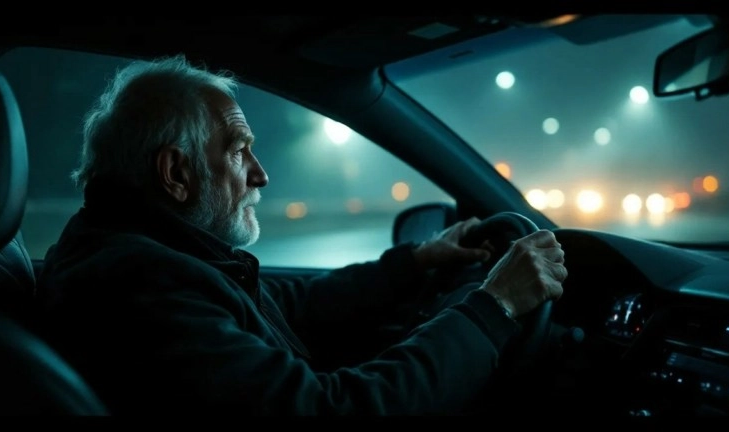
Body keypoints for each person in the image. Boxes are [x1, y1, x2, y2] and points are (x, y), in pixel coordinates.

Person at [35, 55, 567, 415]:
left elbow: (288, 302)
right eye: (239, 151)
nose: (261, 175)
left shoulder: (151, 257)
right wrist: (494, 307)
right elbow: (329, 408)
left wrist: (420, 259)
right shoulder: (141, 287)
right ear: (176, 172)